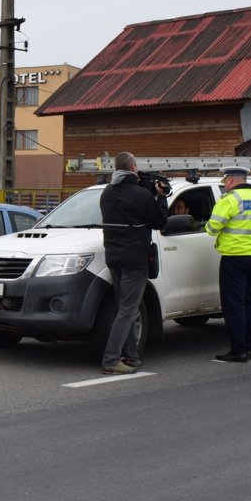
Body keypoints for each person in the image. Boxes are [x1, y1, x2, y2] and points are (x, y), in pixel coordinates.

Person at [98, 151, 169, 374]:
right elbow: (159, 222)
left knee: (124, 308)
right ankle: (111, 360)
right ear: (132, 168)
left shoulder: (107, 193)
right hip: (134, 259)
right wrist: (160, 197)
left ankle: (132, 356)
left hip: (114, 257)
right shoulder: (141, 195)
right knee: (127, 311)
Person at [205, 166, 251, 362]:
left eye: (225, 181)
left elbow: (212, 227)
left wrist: (208, 224)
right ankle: (248, 347)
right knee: (249, 302)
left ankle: (238, 350)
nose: (225, 185)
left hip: (234, 257)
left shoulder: (230, 200)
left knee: (234, 305)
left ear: (232, 180)